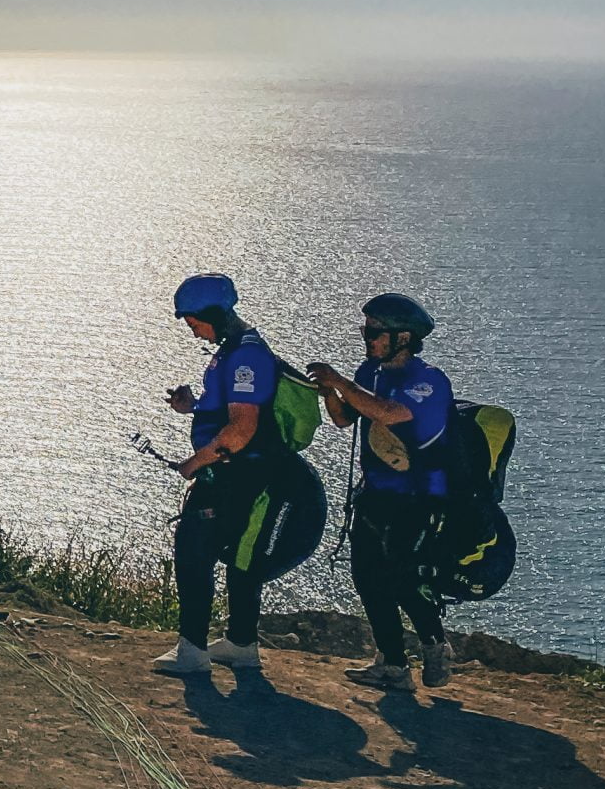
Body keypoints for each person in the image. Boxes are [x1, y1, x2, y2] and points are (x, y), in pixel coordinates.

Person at [309, 293, 455, 691]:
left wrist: (340, 381)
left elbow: (389, 413)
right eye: (366, 331)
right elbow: (346, 419)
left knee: (403, 578)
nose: (367, 338)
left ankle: (434, 643)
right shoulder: (369, 373)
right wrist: (330, 394)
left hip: (419, 497)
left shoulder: (428, 381)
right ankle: (392, 664)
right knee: (367, 578)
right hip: (375, 493)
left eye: (374, 333)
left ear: (403, 338)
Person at [152, 273, 288, 678]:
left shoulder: (245, 356)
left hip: (235, 475)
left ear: (214, 314)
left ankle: (192, 651)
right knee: (237, 559)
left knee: (193, 550)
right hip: (238, 472)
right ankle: (241, 644)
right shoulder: (234, 351)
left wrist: (193, 464)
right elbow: (228, 409)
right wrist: (192, 406)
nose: (192, 330)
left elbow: (242, 429)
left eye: (194, 322)